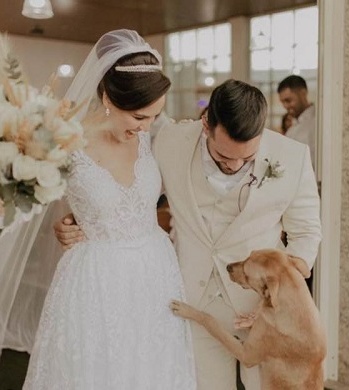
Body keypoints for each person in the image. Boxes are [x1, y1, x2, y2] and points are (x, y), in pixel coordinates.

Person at [55, 79, 322, 390]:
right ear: (206, 124)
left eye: (245, 159)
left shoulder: (293, 155)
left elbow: (306, 233)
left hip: (263, 307)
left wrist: (280, 298)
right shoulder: (169, 140)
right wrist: (83, 217)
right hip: (194, 297)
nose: (234, 165)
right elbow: (127, 187)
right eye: (224, 157)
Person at [23, 29, 196, 389]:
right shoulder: (66, 141)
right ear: (107, 98)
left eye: (153, 116)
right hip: (95, 280)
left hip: (154, 273)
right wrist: (62, 223)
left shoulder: (149, 134)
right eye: (138, 117)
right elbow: (37, 206)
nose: (146, 126)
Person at [277, 75, 316, 168]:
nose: (285, 106)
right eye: (283, 102)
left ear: (303, 93)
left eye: (288, 100)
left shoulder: (317, 122)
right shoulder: (292, 127)